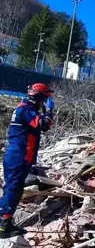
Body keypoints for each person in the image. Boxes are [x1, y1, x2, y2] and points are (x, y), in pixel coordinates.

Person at [0, 83, 54, 238]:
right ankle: (4, 226)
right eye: (44, 99)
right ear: (39, 98)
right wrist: (49, 111)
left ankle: (4, 219)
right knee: (14, 189)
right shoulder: (26, 110)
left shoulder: (23, 108)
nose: (44, 102)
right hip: (19, 155)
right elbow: (44, 125)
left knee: (12, 188)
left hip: (17, 154)